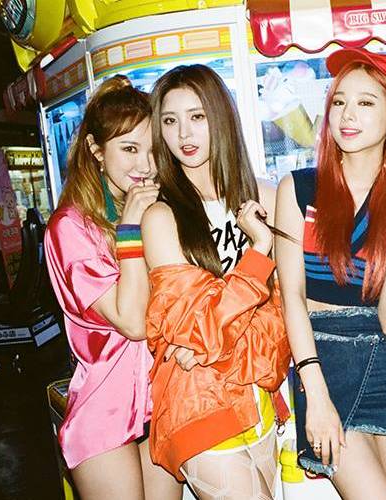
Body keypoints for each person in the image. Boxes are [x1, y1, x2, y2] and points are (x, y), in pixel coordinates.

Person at [274, 48, 386, 500]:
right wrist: (315, 393)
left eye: (365, 103)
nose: (347, 114)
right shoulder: (300, 189)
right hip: (323, 363)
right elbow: (291, 298)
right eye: (340, 101)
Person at [142, 64, 291, 500]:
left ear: (221, 118)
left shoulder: (265, 196)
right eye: (170, 121)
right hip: (197, 404)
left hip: (261, 398)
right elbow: (195, 326)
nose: (183, 133)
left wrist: (216, 340)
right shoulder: (161, 217)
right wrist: (259, 251)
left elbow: (285, 311)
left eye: (197, 116)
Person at [43, 76, 183, 500]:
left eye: (153, 150)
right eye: (129, 149)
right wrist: (129, 230)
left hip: (164, 401)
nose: (145, 165)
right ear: (96, 149)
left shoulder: (156, 211)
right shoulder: (70, 228)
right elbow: (132, 322)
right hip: (106, 410)